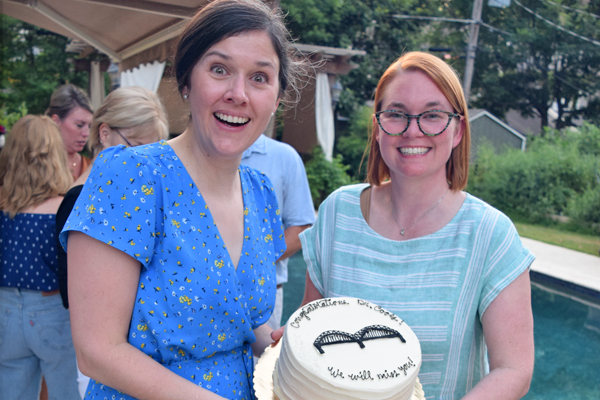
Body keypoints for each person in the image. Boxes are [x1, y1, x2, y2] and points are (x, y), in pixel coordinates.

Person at [59, 0, 304, 399]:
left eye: (260, 77)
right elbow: (97, 350)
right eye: (219, 69)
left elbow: (244, 321)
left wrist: (296, 357)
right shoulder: (132, 175)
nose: (238, 93)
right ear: (186, 81)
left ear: (276, 99)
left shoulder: (260, 192)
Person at [295, 52, 535, 399]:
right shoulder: (337, 212)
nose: (412, 130)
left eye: (432, 115)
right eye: (397, 114)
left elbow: (514, 370)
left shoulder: (490, 234)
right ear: (378, 128)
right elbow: (312, 328)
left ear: (457, 131)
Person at [55, 86, 169, 399]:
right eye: (139, 148)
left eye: (158, 151)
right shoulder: (82, 201)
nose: (149, 162)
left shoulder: (136, 196)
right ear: (105, 133)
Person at [0, 115, 80, 400]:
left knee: (11, 391)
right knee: (66, 391)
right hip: (52, 309)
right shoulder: (64, 208)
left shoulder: (2, 207)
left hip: (5, 308)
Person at [241, 134, 315, 329]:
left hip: (262, 292)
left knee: (263, 357)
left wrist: (248, 262)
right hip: (200, 290)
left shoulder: (284, 157)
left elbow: (301, 227)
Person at [46, 84, 94, 179]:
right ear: (56, 121)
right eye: (79, 125)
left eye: (89, 126)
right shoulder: (38, 165)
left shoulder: (91, 167)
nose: (86, 134)